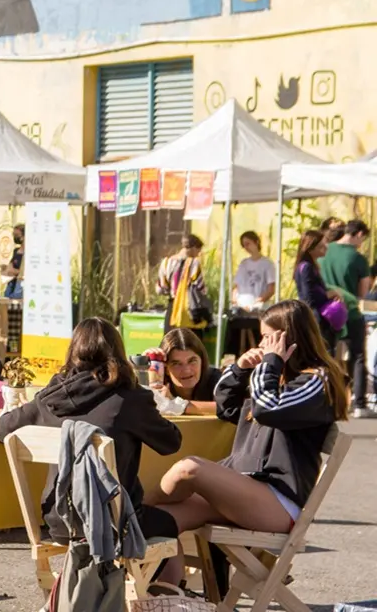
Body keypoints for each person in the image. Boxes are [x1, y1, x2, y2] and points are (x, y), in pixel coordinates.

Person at [149, 300, 347, 585]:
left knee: (189, 469)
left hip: (277, 501)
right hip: (244, 490)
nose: (262, 345)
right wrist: (241, 368)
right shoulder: (276, 377)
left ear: (287, 338)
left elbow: (267, 409)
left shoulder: (316, 380)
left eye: (267, 337)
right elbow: (224, 405)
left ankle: (136, 506)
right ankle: (169, 593)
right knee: (159, 519)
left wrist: (270, 364)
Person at [0, 318, 183, 543]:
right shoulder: (129, 399)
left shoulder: (51, 397)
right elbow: (171, 443)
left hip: (61, 521)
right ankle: (179, 568)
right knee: (183, 520)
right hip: (114, 523)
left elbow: (2, 429)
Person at [318, 219, 372, 418]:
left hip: (326, 311)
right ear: (359, 234)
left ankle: (327, 399)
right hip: (349, 311)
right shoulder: (358, 258)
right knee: (357, 356)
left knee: (326, 355)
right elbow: (363, 292)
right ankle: (358, 403)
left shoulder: (323, 251)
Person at [149, 328, 222, 415]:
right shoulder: (159, 383)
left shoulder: (216, 379)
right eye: (176, 364)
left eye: (192, 361)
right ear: (165, 368)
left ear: (202, 362)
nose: (186, 370)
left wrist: (176, 404)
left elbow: (228, 408)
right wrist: (143, 370)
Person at [293, 229, 341, 347]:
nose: (325, 248)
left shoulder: (310, 266)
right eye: (321, 246)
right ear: (310, 248)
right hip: (315, 318)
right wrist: (328, 294)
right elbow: (308, 296)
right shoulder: (306, 267)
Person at [157, 234, 210, 334]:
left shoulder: (166, 262)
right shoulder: (194, 263)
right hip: (189, 309)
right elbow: (200, 288)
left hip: (172, 309)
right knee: (190, 340)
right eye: (198, 251)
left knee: (171, 339)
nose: (198, 254)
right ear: (193, 248)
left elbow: (160, 289)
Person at [232, 231, 276, 309]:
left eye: (248, 244)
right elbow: (236, 286)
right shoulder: (243, 263)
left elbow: (271, 289)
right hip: (240, 306)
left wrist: (256, 303)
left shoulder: (267, 263)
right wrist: (234, 300)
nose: (246, 247)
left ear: (256, 242)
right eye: (244, 245)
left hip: (258, 307)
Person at [2, 223, 25, 299]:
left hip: (20, 287)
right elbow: (10, 267)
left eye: (16, 234)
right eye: (13, 234)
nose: (14, 237)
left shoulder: (29, 254)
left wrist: (15, 271)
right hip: (11, 285)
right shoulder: (16, 251)